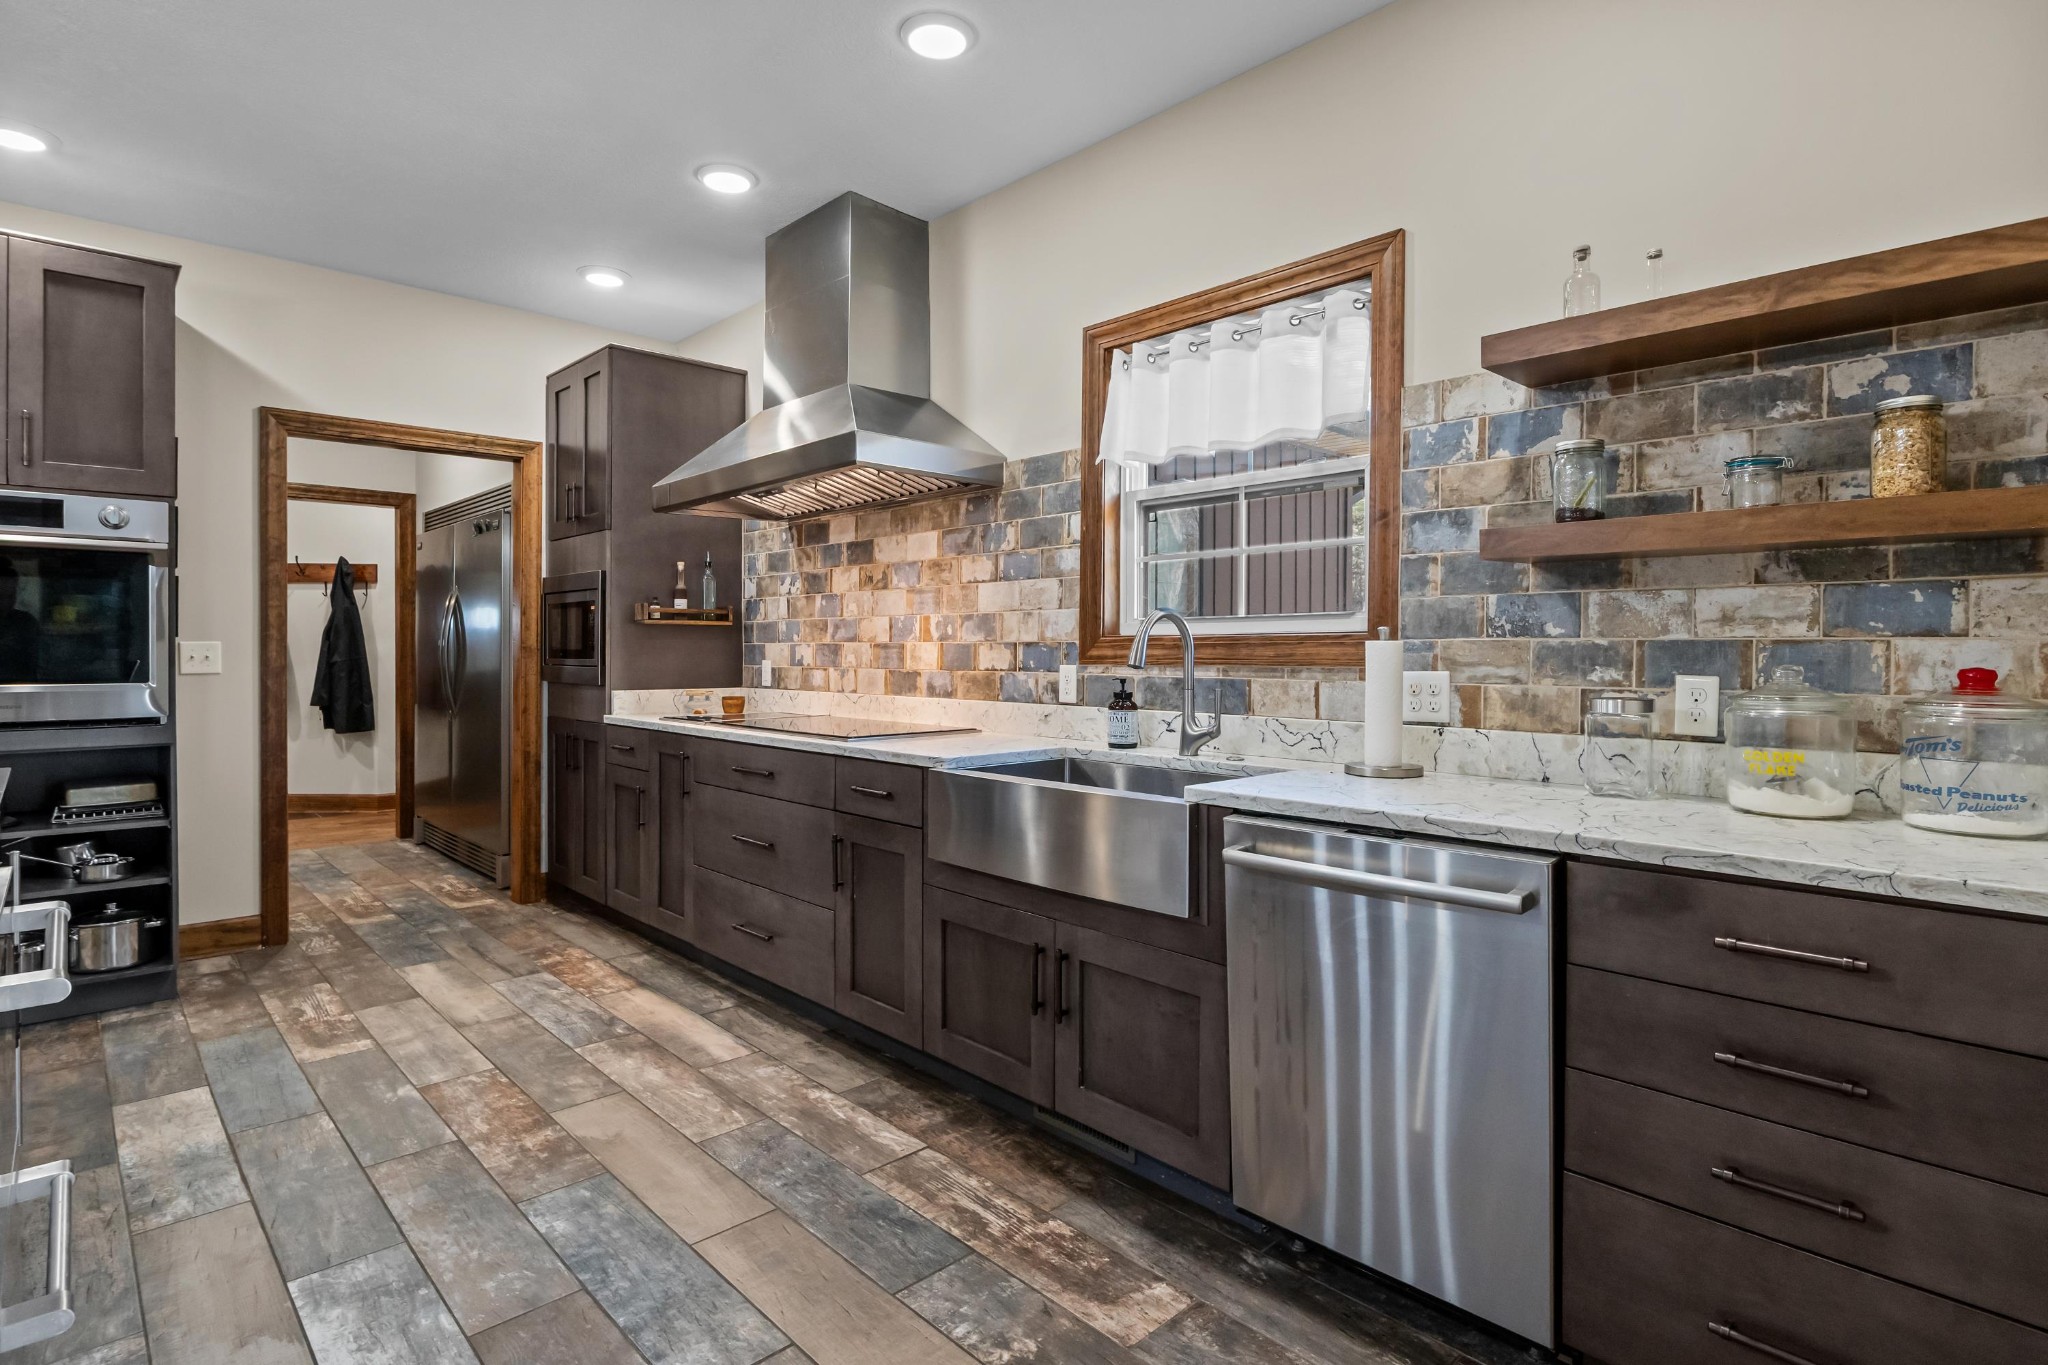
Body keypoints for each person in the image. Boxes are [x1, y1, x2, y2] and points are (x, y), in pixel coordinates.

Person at [0, 558, 39, 684]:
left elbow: (38, 668)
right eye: (0, 596)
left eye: (10, 596)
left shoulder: (27, 622)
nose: (5, 603)